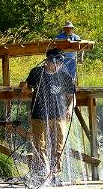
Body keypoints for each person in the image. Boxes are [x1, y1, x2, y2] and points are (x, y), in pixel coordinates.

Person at [22, 48, 76, 178]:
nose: (58, 65)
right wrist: (24, 87)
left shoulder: (65, 77)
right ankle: (44, 172)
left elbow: (72, 97)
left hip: (59, 116)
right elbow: (29, 90)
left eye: (60, 63)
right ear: (47, 61)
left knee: (58, 145)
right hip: (38, 116)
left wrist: (69, 108)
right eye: (56, 62)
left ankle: (55, 174)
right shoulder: (36, 72)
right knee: (39, 144)